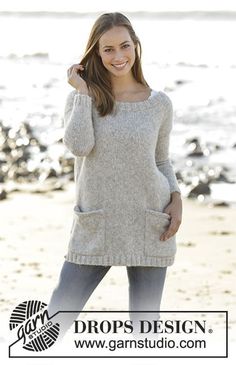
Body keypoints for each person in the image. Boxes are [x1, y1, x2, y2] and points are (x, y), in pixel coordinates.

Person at [47, 12, 182, 341]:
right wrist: (82, 91)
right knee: (53, 323)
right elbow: (79, 147)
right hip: (97, 222)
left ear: (136, 47)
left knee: (145, 332)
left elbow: (161, 160)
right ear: (96, 53)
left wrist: (177, 198)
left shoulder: (159, 104)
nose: (118, 56)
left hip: (150, 221)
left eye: (124, 46)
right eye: (108, 49)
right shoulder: (83, 99)